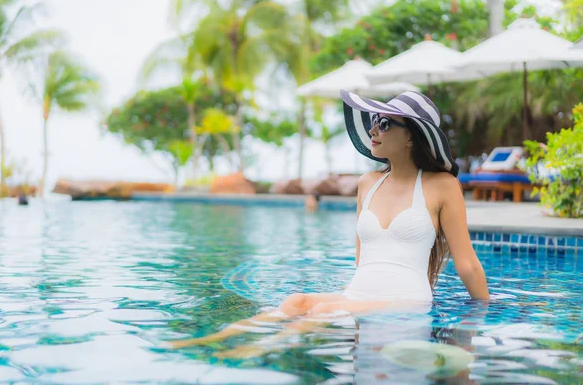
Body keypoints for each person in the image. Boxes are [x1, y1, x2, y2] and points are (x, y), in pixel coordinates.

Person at [169, 89, 489, 355]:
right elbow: (363, 259)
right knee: (296, 301)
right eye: (374, 122)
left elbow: (468, 265)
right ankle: (205, 343)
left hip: (408, 300)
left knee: (322, 311)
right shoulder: (368, 182)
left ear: (411, 137)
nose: (373, 130)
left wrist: (484, 313)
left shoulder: (441, 186)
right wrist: (354, 295)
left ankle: (247, 353)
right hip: (362, 294)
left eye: (384, 123)